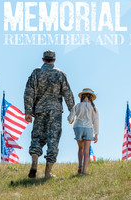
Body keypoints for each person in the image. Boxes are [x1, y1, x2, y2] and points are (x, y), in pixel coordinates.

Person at [24, 50, 75, 178]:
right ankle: (48, 172)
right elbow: (67, 93)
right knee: (53, 139)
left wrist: (28, 111)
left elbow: (29, 92)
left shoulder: (36, 73)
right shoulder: (60, 74)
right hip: (55, 111)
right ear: (54, 60)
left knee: (37, 137)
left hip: (40, 110)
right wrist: (72, 111)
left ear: (43, 59)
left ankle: (34, 163)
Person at [68, 88, 99, 175]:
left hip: (78, 128)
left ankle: (80, 166)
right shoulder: (93, 108)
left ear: (82, 96)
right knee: (86, 151)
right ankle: (84, 171)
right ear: (91, 97)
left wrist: (70, 120)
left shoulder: (77, 105)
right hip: (88, 128)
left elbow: (70, 117)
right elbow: (96, 121)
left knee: (80, 148)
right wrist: (96, 134)